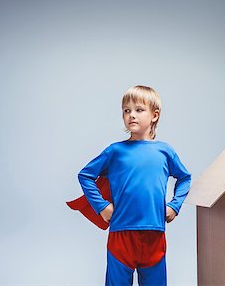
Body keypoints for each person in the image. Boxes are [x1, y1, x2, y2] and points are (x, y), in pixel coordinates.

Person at [78, 85, 191, 286]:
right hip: (121, 234)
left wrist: (174, 206)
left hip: (154, 233)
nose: (131, 115)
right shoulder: (115, 151)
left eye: (139, 110)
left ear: (154, 115)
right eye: (126, 110)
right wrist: (101, 206)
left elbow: (184, 178)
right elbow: (85, 175)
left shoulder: (165, 152)